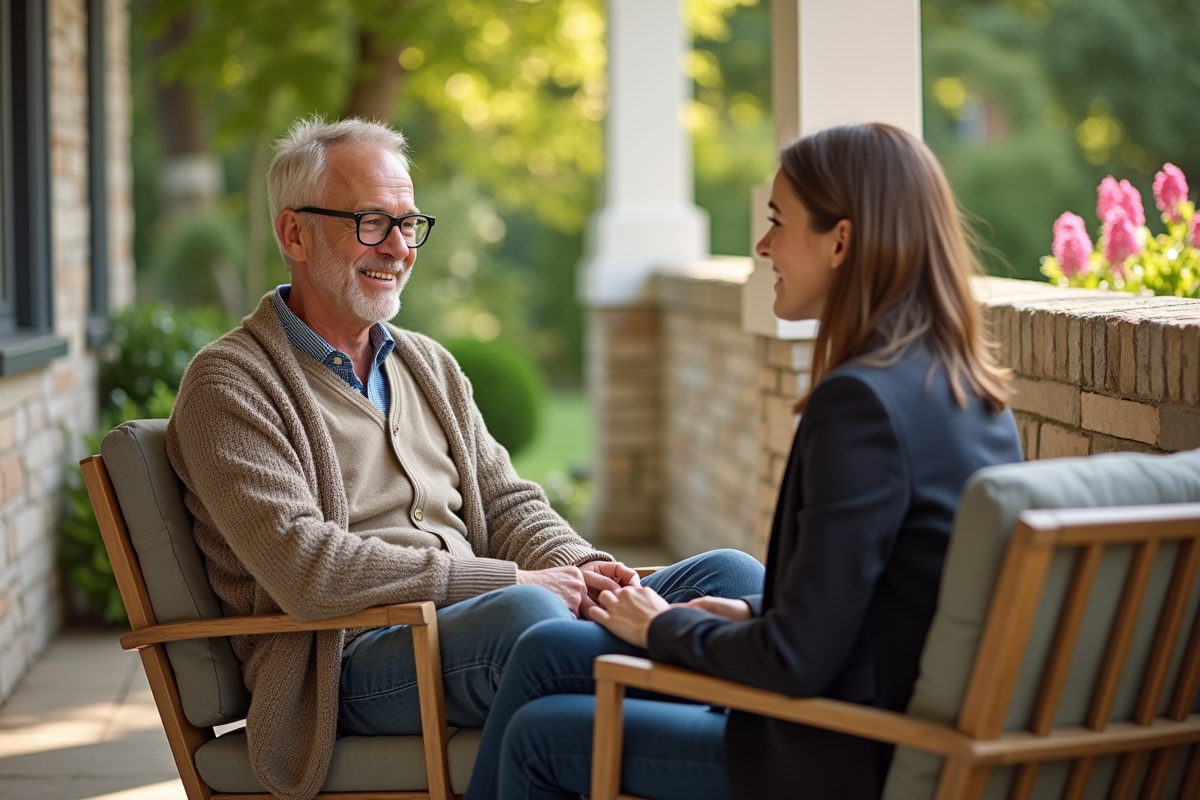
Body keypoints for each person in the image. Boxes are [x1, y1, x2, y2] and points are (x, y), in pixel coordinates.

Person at [165, 115, 764, 800]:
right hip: (345, 659)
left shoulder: (428, 365)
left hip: (480, 623)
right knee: (531, 622)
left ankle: (708, 723)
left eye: (409, 222)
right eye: (370, 222)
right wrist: (511, 584)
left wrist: (588, 571)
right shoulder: (230, 385)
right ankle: (733, 723)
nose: (398, 246)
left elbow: (509, 504)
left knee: (735, 574)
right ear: (293, 233)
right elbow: (310, 571)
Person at [463, 122, 1025, 800]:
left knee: (542, 735)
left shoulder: (860, 406)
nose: (762, 247)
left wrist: (665, 624)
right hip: (875, 710)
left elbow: (795, 661)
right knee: (548, 652)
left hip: (839, 753)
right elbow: (895, 592)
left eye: (777, 222)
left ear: (841, 241)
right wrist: (750, 609)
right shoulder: (973, 395)